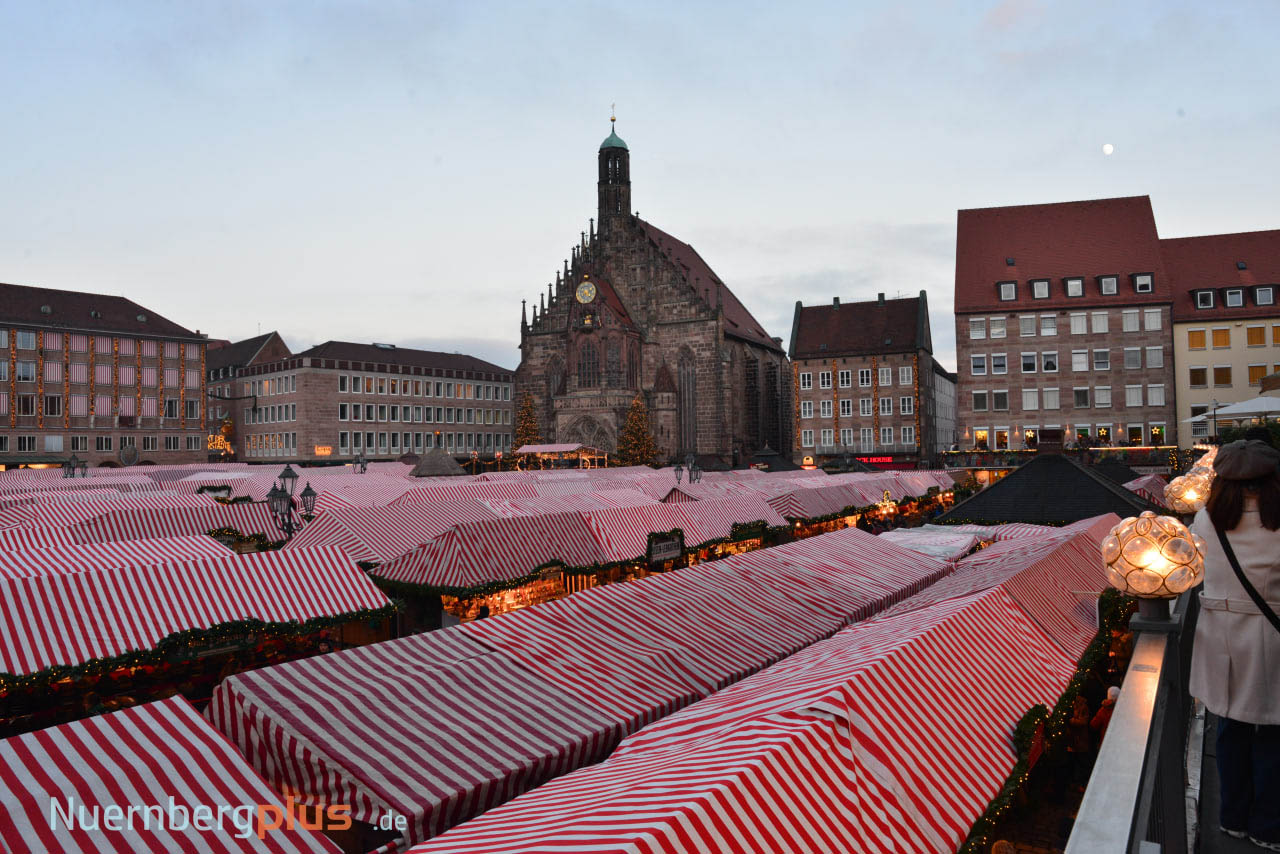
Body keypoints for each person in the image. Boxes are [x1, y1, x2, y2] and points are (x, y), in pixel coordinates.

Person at [1189, 439, 1280, 850]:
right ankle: (1267, 825)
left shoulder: (1206, 520)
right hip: (1271, 636)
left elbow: (1189, 569)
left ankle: (1232, 818)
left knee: (1230, 726)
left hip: (1222, 638)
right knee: (1273, 734)